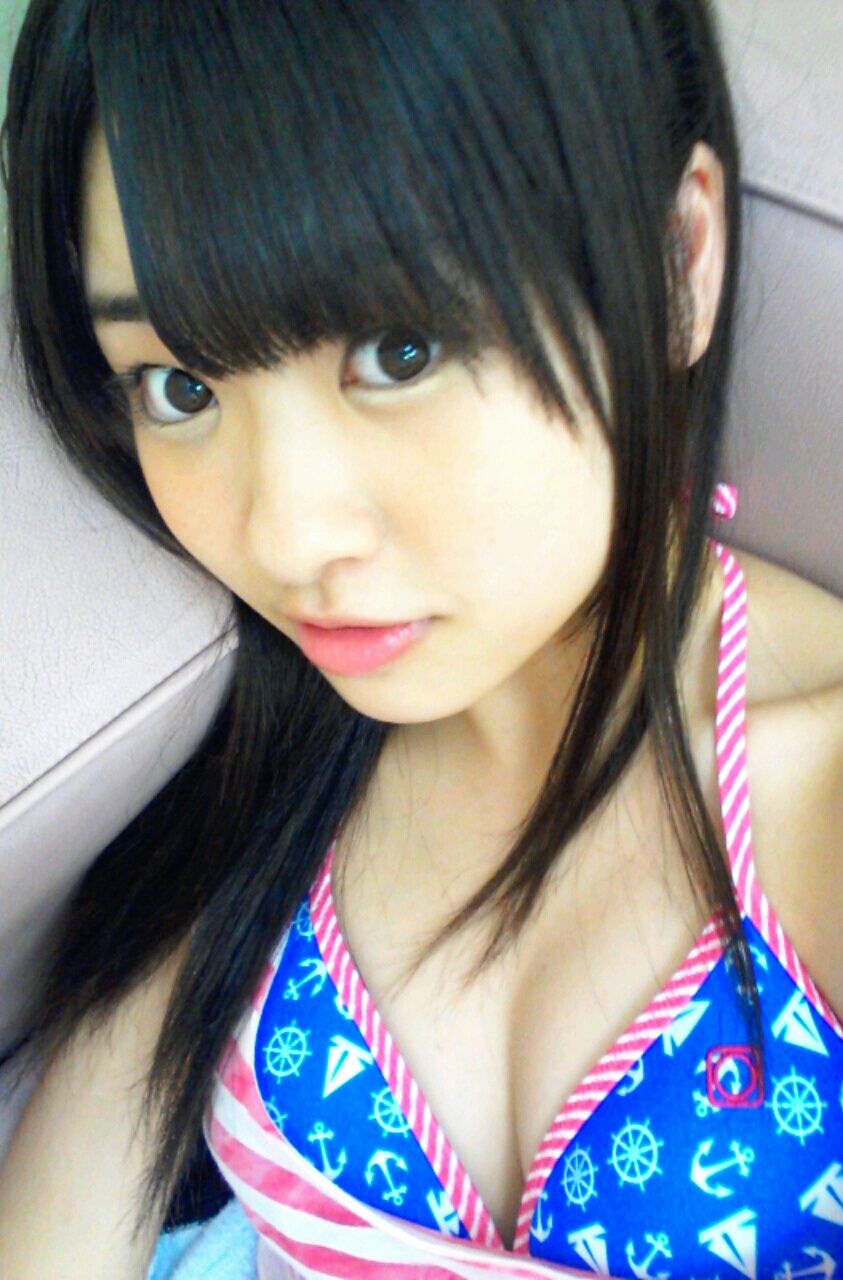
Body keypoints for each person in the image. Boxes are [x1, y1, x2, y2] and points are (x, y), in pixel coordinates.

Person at [0, 1, 841, 1277]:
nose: (283, 534)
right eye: (181, 386)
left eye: (401, 350)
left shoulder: (818, 791)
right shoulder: (258, 776)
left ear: (676, 263)